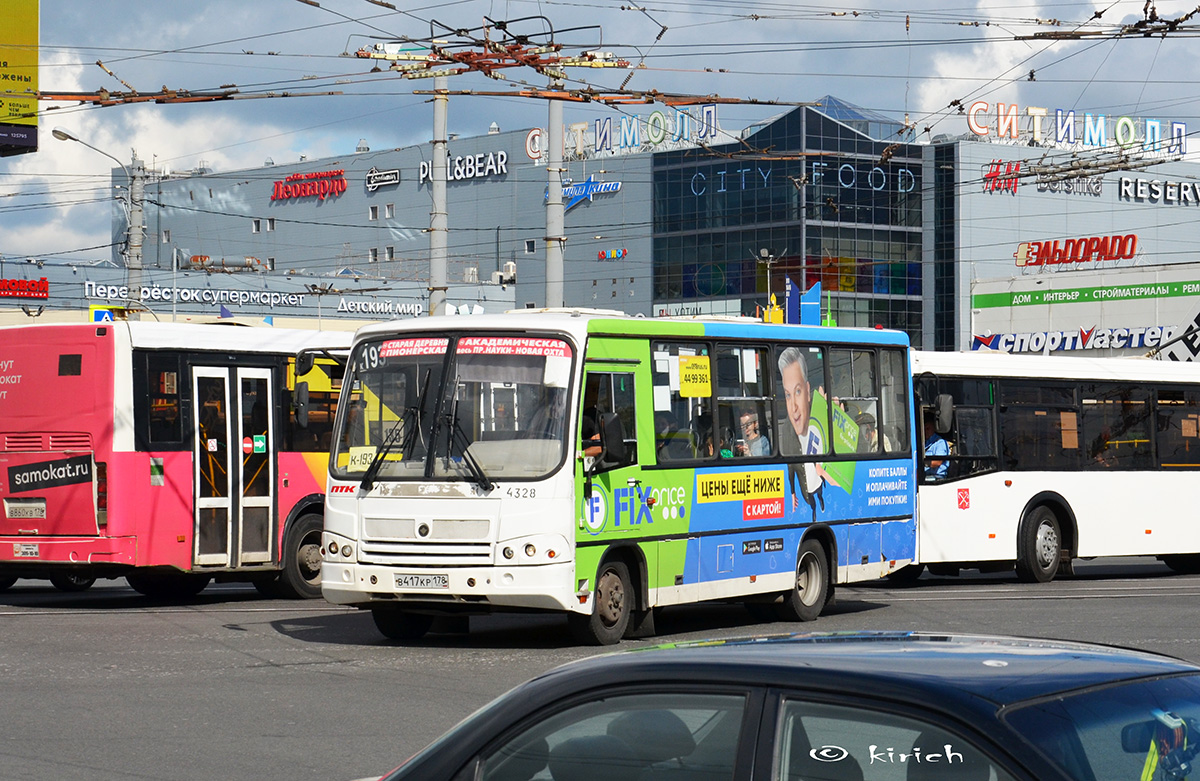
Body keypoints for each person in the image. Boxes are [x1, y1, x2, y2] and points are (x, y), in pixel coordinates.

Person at [777, 347, 837, 519]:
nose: (793, 406)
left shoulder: (822, 419)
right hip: (806, 486)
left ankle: (822, 501)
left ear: (808, 391)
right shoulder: (786, 433)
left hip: (818, 480)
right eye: (788, 395)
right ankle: (815, 510)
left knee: (819, 493)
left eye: (797, 391)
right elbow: (790, 468)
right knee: (811, 501)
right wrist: (792, 493)